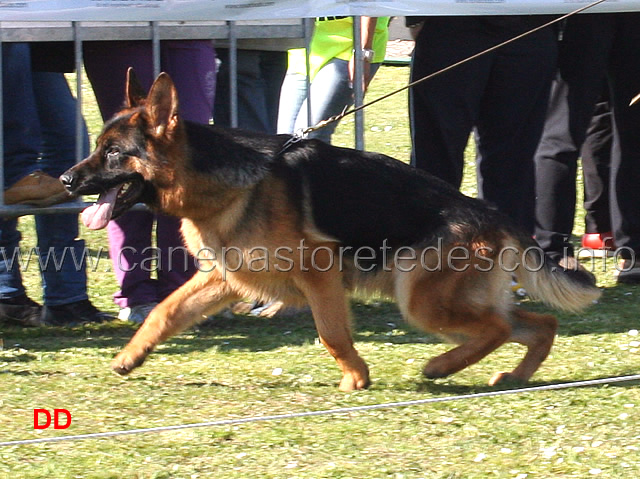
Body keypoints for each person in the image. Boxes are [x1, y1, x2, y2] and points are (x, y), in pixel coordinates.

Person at [83, 40, 216, 323]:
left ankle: (179, 293)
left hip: (193, 22)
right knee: (124, 157)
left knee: (180, 158)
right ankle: (136, 295)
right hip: (118, 25)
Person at [406, 15, 557, 235]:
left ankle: (508, 252)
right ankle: (428, 244)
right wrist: (416, 18)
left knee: (514, 155)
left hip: (529, 23)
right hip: (451, 23)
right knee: (436, 153)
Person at [0, 43, 111, 327]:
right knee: (11, 164)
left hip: (39, 37)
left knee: (67, 144)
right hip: (14, 32)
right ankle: (7, 293)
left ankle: (66, 299)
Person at [531, 13, 640, 283]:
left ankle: (634, 250)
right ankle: (552, 251)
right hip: (580, 12)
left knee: (634, 131)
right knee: (561, 134)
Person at [277, 16, 390, 144]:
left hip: (350, 48)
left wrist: (362, 53)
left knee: (309, 136)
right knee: (284, 140)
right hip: (305, 48)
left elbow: (368, 5)